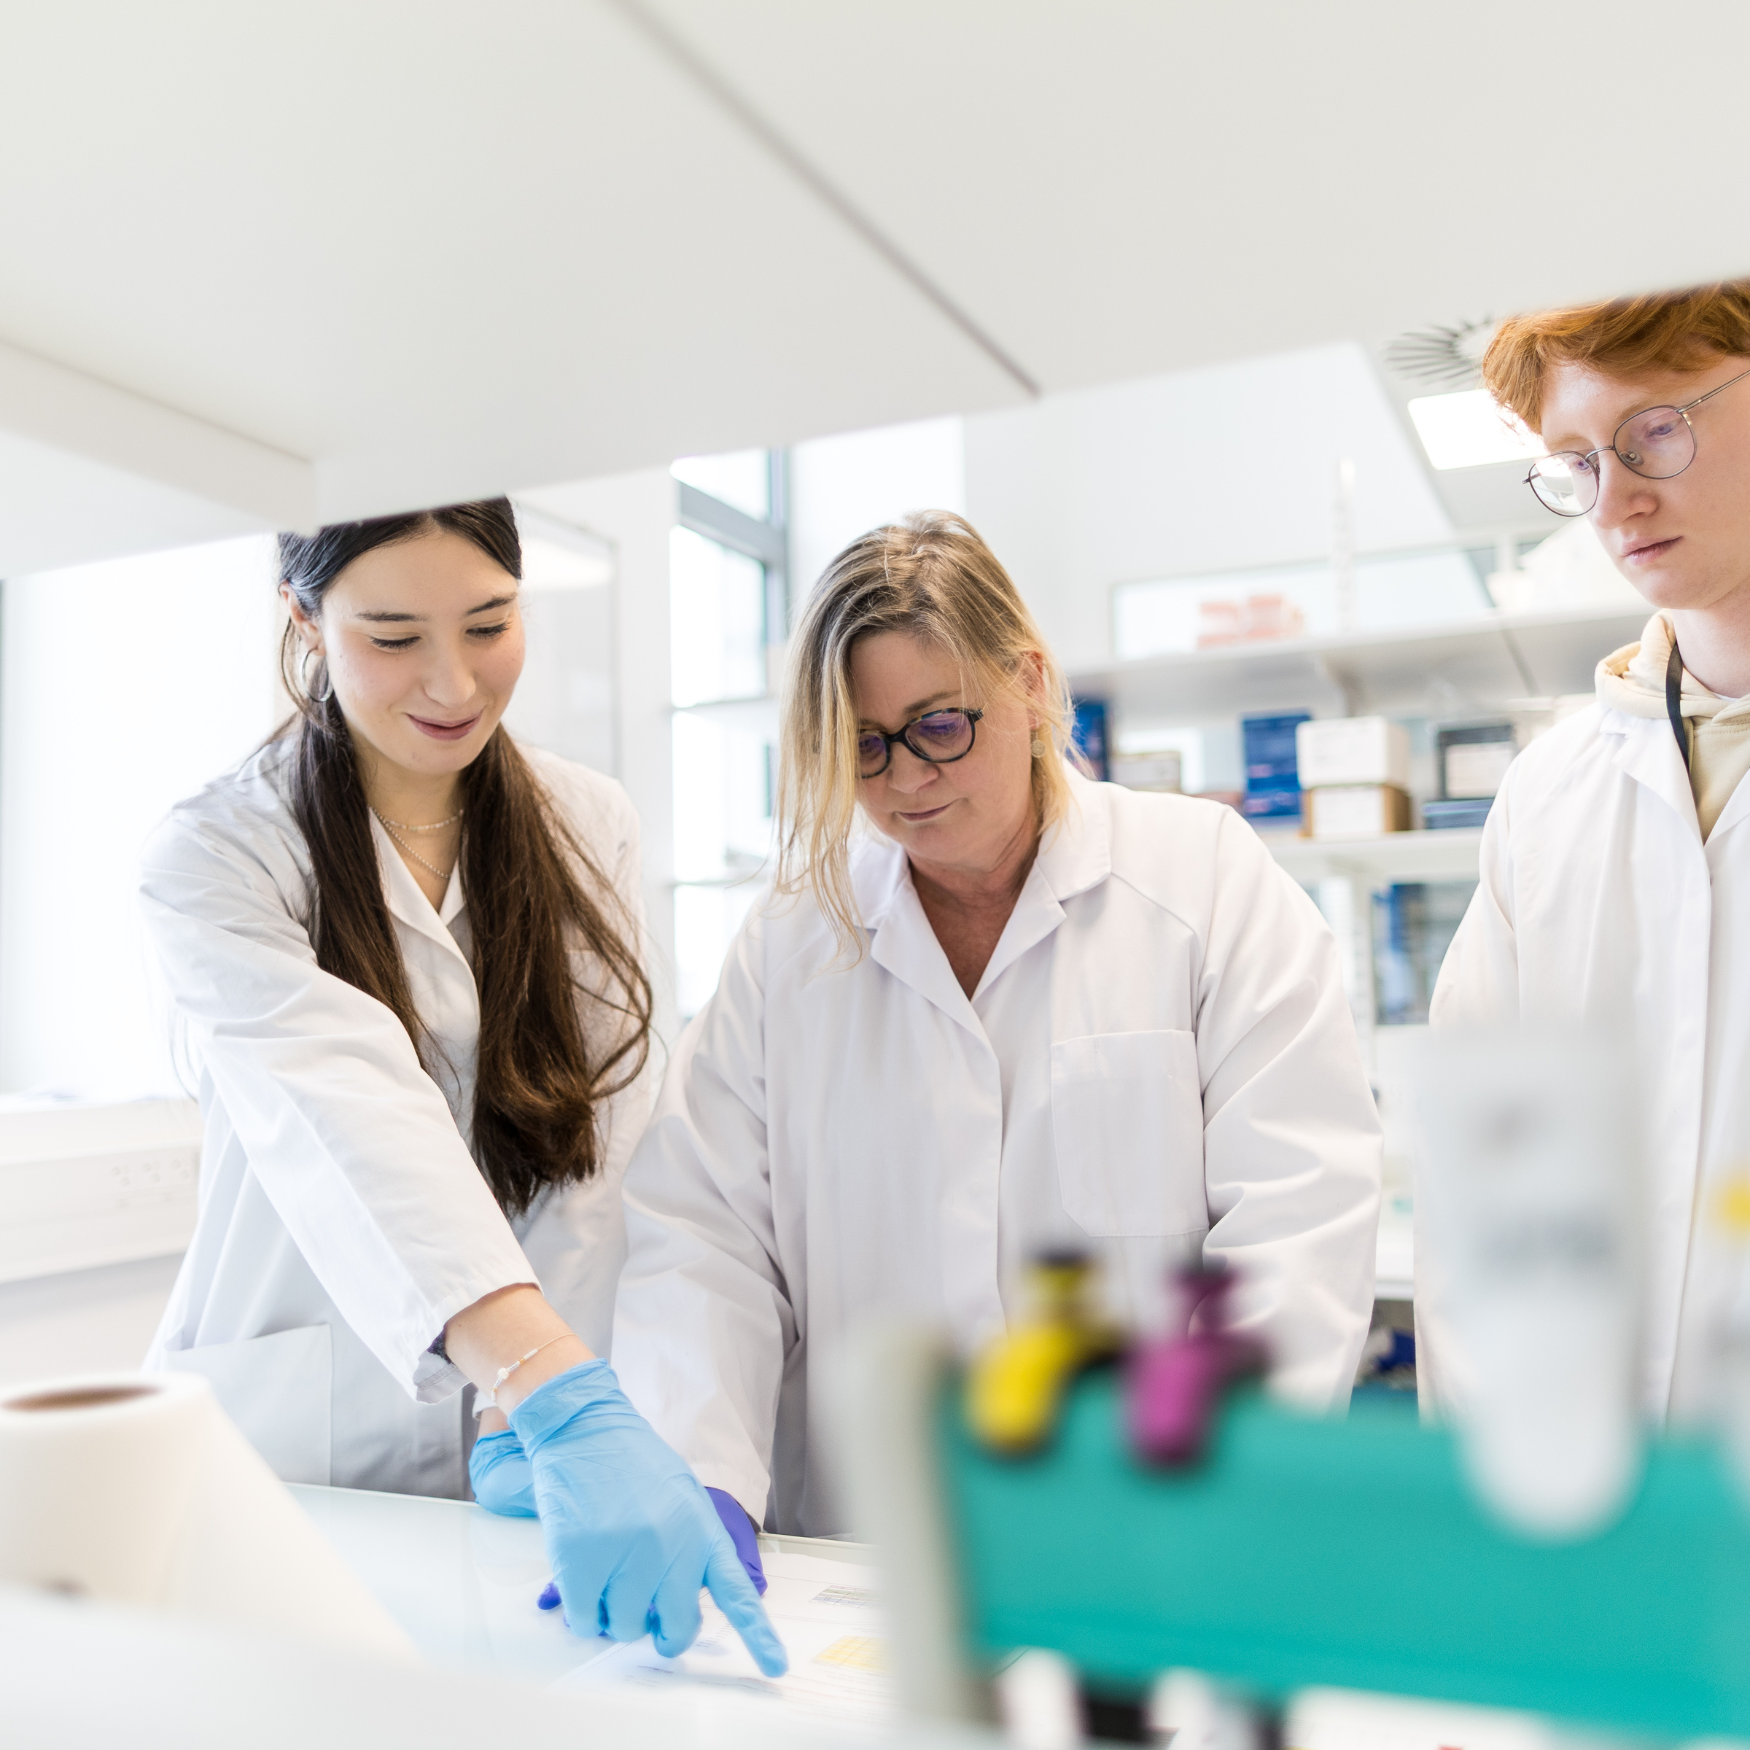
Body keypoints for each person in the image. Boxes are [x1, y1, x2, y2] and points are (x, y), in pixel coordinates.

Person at [601, 512, 1382, 1538]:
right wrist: (697, 1471)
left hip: (1144, 1537)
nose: (905, 782)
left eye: (937, 726)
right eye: (865, 748)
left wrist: (1207, 1484)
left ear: (1027, 679)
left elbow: (1296, 1211)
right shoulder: (791, 943)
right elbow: (702, 1236)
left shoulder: (1202, 882)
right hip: (867, 1547)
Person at [140, 500, 782, 1670]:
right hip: (289, 1443)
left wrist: (518, 1404)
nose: (452, 682)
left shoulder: (588, 823)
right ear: (304, 616)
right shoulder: (220, 851)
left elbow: (597, 1140)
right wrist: (547, 1385)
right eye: (391, 636)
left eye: (489, 623)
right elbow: (348, 1110)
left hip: (508, 1442)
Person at [1423, 283, 1750, 1425]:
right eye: (1575, 461)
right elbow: (1477, 1181)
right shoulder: (1549, 797)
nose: (1615, 499)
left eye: (1656, 427)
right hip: (1592, 1524)